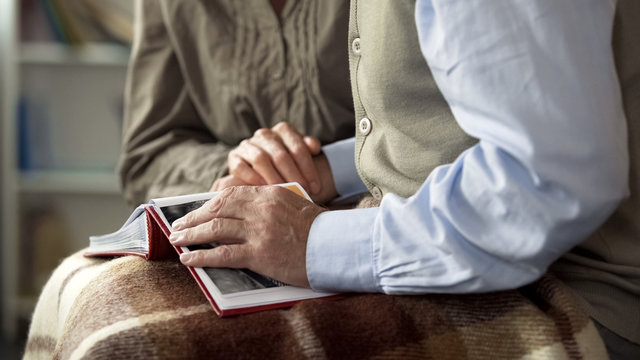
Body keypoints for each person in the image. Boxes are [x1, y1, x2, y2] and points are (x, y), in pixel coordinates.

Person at [168, 0, 640, 358]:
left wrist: (309, 240)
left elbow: (552, 178)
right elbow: (477, 124)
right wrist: (327, 168)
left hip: (580, 291)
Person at [118, 0, 354, 206]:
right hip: (242, 227)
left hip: (375, 218)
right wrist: (242, 169)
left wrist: (333, 169)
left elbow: (392, 133)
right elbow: (147, 159)